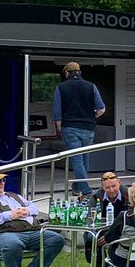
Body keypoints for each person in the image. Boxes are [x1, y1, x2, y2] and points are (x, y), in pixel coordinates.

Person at [53, 62, 105, 196]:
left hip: (70, 127)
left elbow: (57, 112)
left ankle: (87, 191)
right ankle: (77, 187)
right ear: (79, 72)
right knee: (84, 158)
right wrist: (91, 116)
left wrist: (59, 129)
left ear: (66, 73)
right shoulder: (91, 86)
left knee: (77, 159)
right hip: (88, 128)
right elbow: (101, 109)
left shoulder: (61, 87)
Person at [84, 171, 127, 264]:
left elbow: (131, 220)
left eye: (114, 186)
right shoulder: (95, 196)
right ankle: (102, 266)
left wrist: (111, 235)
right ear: (103, 187)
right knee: (91, 237)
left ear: (119, 183)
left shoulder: (128, 194)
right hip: (102, 229)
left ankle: (122, 262)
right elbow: (90, 220)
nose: (111, 190)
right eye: (107, 187)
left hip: (123, 230)